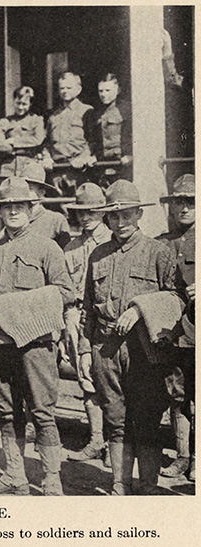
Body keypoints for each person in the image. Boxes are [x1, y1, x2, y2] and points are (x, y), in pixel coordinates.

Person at [0, 176, 74, 496]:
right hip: (0, 344)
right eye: (7, 208)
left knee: (42, 412)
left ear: (32, 209)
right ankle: (15, 476)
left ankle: (51, 478)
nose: (13, 212)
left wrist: (21, 310)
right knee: (6, 410)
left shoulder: (47, 247)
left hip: (35, 344)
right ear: (0, 212)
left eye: (20, 206)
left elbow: (66, 292)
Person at [82, 179, 182, 495]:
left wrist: (140, 308)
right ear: (106, 219)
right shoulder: (97, 255)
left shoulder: (159, 252)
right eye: (114, 216)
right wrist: (86, 350)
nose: (121, 222)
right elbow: (87, 307)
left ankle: (149, 487)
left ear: (139, 214)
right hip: (106, 348)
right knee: (115, 418)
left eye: (127, 214)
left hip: (145, 349)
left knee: (147, 419)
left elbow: (177, 298)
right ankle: (119, 485)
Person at [62, 183, 112, 464]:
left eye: (92, 210)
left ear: (102, 211)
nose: (86, 217)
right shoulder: (71, 247)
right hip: (76, 316)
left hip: (105, 318)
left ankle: (116, 441)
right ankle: (96, 440)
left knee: (110, 379)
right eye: (81, 211)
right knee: (86, 378)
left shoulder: (112, 241)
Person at [157, 174, 195, 481]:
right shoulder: (163, 243)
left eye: (191, 201)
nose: (184, 207)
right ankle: (183, 457)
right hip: (173, 334)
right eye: (179, 201)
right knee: (177, 395)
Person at [42, 72, 96, 195]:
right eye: (62, 88)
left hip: (77, 170)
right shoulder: (53, 115)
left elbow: (93, 141)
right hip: (56, 170)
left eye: (69, 88)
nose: (65, 91)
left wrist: (83, 157)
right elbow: (47, 142)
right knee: (59, 209)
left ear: (78, 89)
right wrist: (47, 157)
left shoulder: (87, 111)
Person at [0, 86, 46, 182]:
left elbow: (38, 140)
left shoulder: (36, 120)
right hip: (8, 169)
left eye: (24, 104)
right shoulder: (5, 121)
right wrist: (14, 150)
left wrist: (13, 141)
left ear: (30, 104)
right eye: (18, 103)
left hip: (29, 167)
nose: (20, 107)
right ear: (13, 101)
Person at [91, 73, 132, 186]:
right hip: (103, 165)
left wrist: (131, 155)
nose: (104, 94)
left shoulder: (126, 110)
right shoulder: (97, 113)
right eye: (101, 91)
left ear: (118, 90)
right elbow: (94, 140)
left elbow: (134, 135)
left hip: (122, 164)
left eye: (108, 90)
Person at [21, 163, 72, 249]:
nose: (24, 192)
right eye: (22, 188)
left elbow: (65, 253)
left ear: (41, 193)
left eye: (30, 188)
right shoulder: (15, 217)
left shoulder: (56, 220)